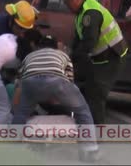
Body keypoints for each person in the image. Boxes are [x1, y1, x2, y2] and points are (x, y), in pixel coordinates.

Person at [12, 29, 99, 162]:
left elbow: (19, 82)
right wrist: (61, 97)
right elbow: (69, 80)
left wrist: (17, 106)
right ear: (55, 46)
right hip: (56, 82)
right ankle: (90, 149)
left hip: (30, 83)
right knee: (83, 111)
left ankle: (12, 147)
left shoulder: (29, 56)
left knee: (21, 113)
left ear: (38, 46)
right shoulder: (62, 55)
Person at [60, 0, 128, 124]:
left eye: (68, 3)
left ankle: (97, 131)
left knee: (95, 94)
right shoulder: (82, 10)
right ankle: (87, 126)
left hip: (112, 57)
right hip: (101, 58)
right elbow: (79, 37)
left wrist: (71, 59)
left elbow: (88, 42)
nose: (67, 7)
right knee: (89, 89)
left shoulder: (90, 14)